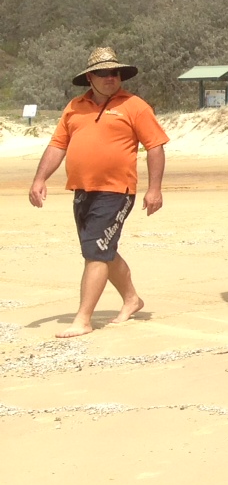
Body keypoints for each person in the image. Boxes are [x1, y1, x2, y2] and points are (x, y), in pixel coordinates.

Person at [27, 48, 168, 338]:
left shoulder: (135, 106)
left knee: (96, 252)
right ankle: (132, 299)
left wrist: (155, 189)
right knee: (101, 249)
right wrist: (39, 179)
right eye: (103, 73)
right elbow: (57, 146)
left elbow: (155, 146)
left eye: (114, 72)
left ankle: (83, 319)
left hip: (117, 191)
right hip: (82, 190)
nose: (110, 78)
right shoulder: (75, 107)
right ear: (90, 77)